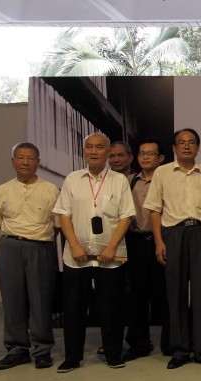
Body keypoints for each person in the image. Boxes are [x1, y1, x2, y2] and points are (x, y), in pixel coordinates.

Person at [53, 132, 136, 372]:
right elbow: (63, 214)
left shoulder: (119, 181)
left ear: (107, 152)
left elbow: (126, 216)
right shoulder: (73, 179)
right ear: (83, 151)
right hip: (76, 256)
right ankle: (72, 357)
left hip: (110, 256)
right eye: (89, 147)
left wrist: (111, 247)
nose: (93, 151)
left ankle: (113, 353)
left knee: (111, 307)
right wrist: (75, 245)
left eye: (99, 147)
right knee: (74, 307)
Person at [145, 128, 201, 369]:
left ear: (197, 147)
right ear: (174, 148)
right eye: (182, 143)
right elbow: (154, 210)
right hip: (173, 234)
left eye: (191, 142)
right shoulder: (162, 172)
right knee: (175, 293)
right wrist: (159, 241)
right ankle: (179, 350)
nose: (187, 146)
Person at [0, 142, 60, 370]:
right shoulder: (1, 190)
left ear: (38, 162)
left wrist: (42, 240)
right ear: (13, 162)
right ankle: (17, 349)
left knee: (41, 299)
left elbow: (57, 224)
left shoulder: (51, 189)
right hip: (10, 247)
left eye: (30, 158)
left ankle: (42, 349)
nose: (25, 162)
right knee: (12, 299)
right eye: (20, 157)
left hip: (41, 247)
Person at [121, 137, 169, 362]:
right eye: (142, 153)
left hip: (162, 242)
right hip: (136, 242)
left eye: (151, 153)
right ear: (137, 157)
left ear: (161, 158)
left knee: (165, 295)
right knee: (137, 296)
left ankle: (170, 342)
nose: (146, 157)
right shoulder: (129, 181)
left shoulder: (168, 179)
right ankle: (138, 343)